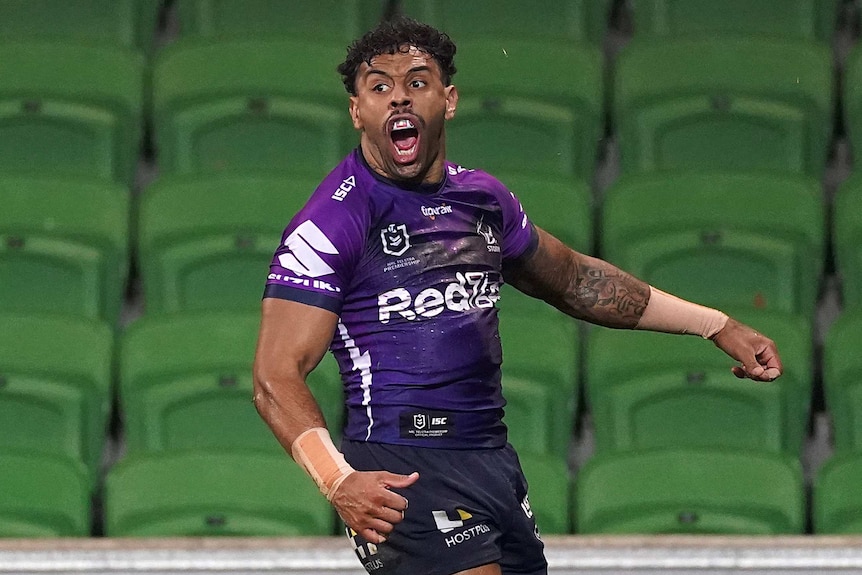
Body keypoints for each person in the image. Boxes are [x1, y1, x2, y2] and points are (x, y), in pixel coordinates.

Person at [253, 16, 783, 575]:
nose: (399, 98)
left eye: (417, 81)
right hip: (402, 467)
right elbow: (273, 376)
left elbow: (578, 283)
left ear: (448, 99)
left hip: (491, 462)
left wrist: (715, 325)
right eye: (379, 86)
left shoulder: (484, 199)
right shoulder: (333, 218)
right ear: (358, 111)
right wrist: (337, 480)